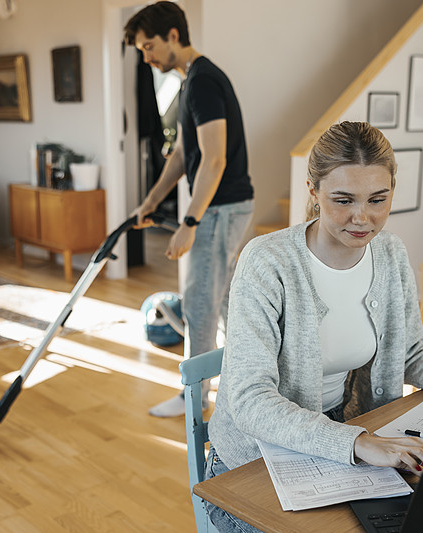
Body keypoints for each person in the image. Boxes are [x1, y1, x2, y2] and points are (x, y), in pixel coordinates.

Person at [205, 122, 423, 532]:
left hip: (343, 430)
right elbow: (250, 400)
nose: (363, 218)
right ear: (312, 190)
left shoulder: (390, 253)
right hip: (255, 459)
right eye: (343, 200)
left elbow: (412, 356)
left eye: (378, 199)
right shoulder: (267, 262)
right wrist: (357, 443)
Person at [124, 2, 254, 417]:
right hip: (227, 206)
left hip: (218, 209)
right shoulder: (190, 83)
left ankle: (193, 402)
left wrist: (190, 221)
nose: (146, 57)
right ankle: (247, 392)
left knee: (200, 306)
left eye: (149, 46)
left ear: (173, 36)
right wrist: (150, 200)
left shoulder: (202, 82)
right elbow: (183, 154)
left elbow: (214, 160)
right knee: (229, 306)